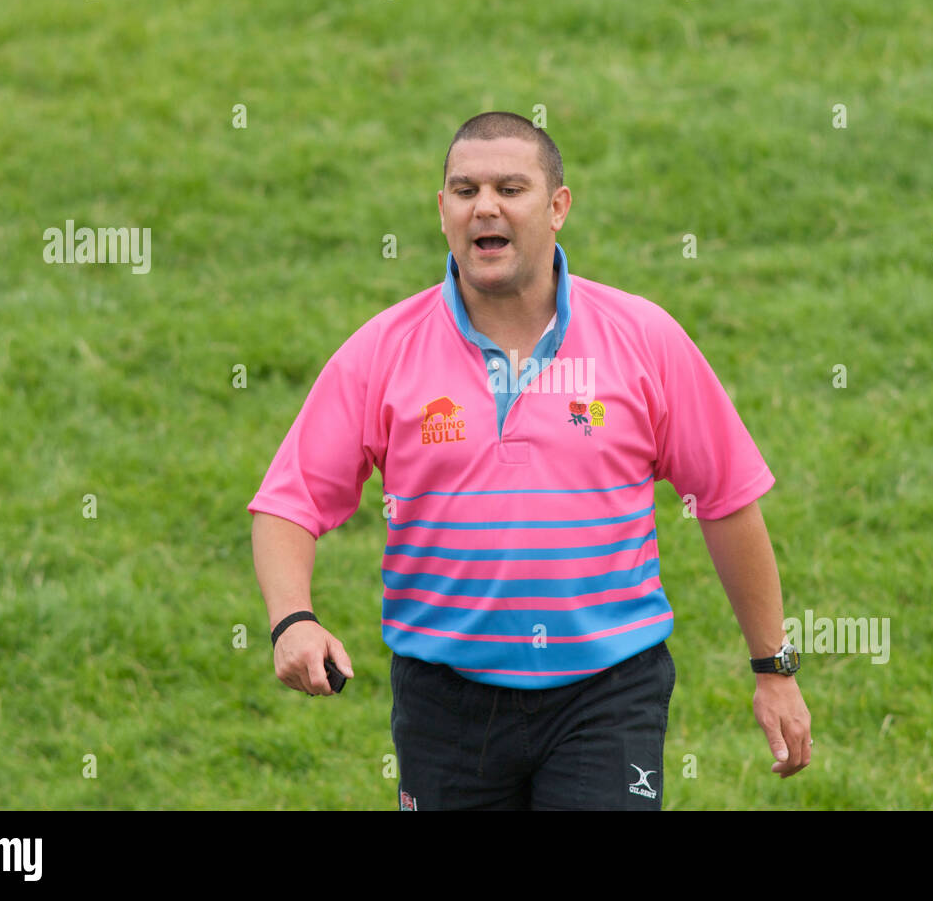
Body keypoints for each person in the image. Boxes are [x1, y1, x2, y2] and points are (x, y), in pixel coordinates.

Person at [248, 111, 811, 810]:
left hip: (607, 694)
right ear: (443, 210)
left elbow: (726, 498)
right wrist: (291, 618)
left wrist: (773, 668)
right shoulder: (383, 351)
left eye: (511, 187)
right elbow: (288, 501)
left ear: (557, 207)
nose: (485, 205)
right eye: (465, 190)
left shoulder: (643, 339)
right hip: (443, 700)